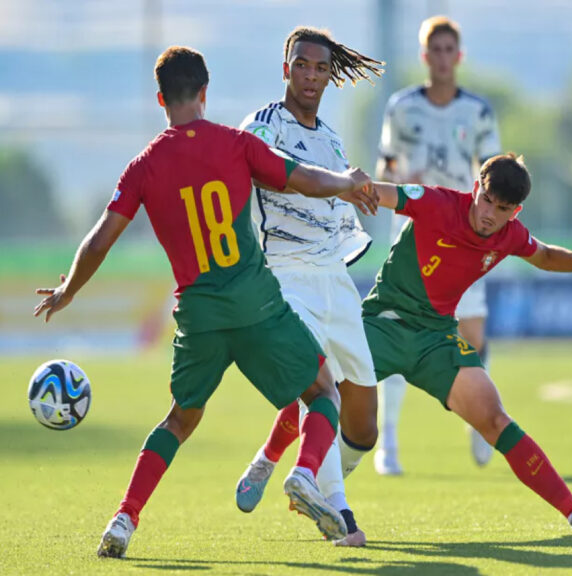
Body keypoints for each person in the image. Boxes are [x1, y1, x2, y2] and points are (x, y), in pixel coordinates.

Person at [32, 46, 380, 558]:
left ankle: (124, 519)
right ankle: (304, 475)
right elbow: (302, 178)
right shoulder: (236, 144)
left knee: (179, 419)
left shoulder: (143, 166)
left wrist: (67, 291)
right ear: (204, 92)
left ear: (160, 99)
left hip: (199, 315)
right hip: (257, 303)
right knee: (324, 393)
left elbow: (101, 238)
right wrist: (347, 183)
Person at [366, 153, 572, 535]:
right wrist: (326, 182)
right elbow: (379, 192)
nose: (489, 213)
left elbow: (546, 256)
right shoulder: (437, 202)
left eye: (502, 208)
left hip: (435, 337)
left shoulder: (511, 235)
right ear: (476, 189)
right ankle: (270, 461)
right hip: (382, 323)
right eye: (486, 199)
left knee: (495, 418)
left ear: (515, 212)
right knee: (323, 390)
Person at [233, 26, 384, 547]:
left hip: (335, 281)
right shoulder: (261, 126)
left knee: (364, 425)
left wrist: (356, 194)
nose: (312, 76)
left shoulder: (332, 140)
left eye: (321, 68)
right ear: (286, 69)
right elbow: (282, 180)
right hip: (286, 277)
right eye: (302, 65)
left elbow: (337, 201)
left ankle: (272, 457)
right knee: (322, 393)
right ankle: (333, 507)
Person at [375, 15, 503, 473]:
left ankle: (479, 418)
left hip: (464, 237)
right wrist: (396, 180)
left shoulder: (478, 111)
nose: (444, 58)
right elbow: (385, 164)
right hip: (414, 233)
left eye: (451, 50)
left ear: (459, 56)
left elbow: (494, 173)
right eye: (436, 50)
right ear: (425, 57)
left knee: (472, 335)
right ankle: (387, 441)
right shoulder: (402, 106)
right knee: (395, 335)